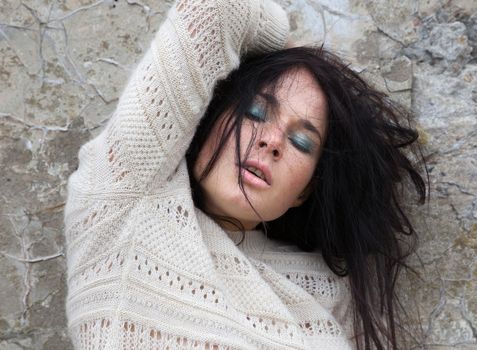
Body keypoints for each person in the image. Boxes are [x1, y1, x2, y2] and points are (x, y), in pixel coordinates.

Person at [64, 0, 426, 349]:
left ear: (304, 191)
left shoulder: (330, 290)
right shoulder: (126, 201)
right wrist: (293, 56)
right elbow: (216, 10)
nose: (272, 141)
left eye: (301, 141)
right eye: (255, 110)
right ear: (207, 119)